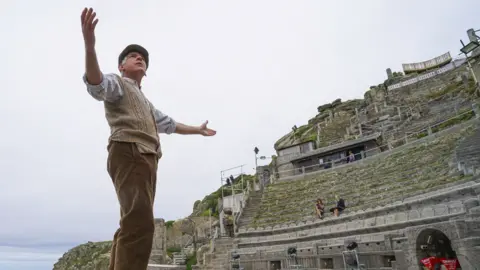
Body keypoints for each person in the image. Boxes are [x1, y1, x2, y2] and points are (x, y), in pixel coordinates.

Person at [80, 8, 216, 270]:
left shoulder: (145, 101)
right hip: (129, 151)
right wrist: (89, 45)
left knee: (131, 221)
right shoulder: (118, 84)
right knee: (141, 223)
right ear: (122, 66)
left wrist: (198, 130)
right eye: (133, 56)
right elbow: (97, 84)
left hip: (146, 159)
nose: (139, 58)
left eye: (142, 58)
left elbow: (170, 125)